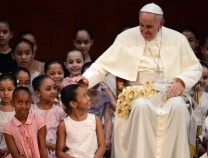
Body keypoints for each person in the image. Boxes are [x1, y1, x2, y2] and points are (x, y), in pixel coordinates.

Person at [72, 3, 202, 158]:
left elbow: (195, 68)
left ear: (161, 23)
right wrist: (87, 78)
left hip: (170, 93)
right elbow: (102, 64)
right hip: (139, 93)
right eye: (141, 25)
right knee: (141, 107)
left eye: (149, 27)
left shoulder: (177, 39)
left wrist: (181, 81)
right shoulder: (126, 38)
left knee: (179, 107)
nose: (144, 31)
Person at [56, 84, 106, 157]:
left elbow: (102, 146)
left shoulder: (95, 119)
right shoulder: (64, 125)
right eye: (84, 96)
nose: (88, 98)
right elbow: (59, 152)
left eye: (87, 95)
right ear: (73, 103)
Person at [3, 87, 47, 158]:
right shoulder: (8, 127)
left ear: (31, 103)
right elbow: (15, 154)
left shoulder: (39, 121)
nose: (23, 106)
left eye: (27, 102)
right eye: (19, 102)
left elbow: (43, 149)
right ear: (12, 103)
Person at [32, 75, 66, 157]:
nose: (53, 91)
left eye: (55, 88)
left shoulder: (59, 111)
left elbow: (65, 132)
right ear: (37, 93)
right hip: (37, 151)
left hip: (57, 152)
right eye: (48, 89)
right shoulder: (31, 111)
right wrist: (51, 145)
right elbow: (30, 135)